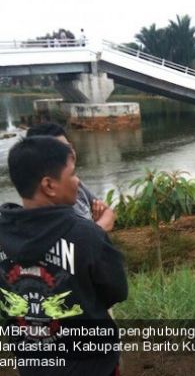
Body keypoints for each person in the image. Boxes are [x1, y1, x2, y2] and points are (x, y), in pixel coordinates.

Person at [0, 136, 128, 375]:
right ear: (49, 185)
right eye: (72, 173)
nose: (78, 181)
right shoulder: (87, 235)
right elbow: (117, 291)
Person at [26, 123, 116, 232]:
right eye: (59, 152)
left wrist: (94, 229)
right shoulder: (47, 203)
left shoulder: (75, 183)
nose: (70, 154)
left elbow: (109, 212)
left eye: (68, 147)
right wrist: (96, 230)